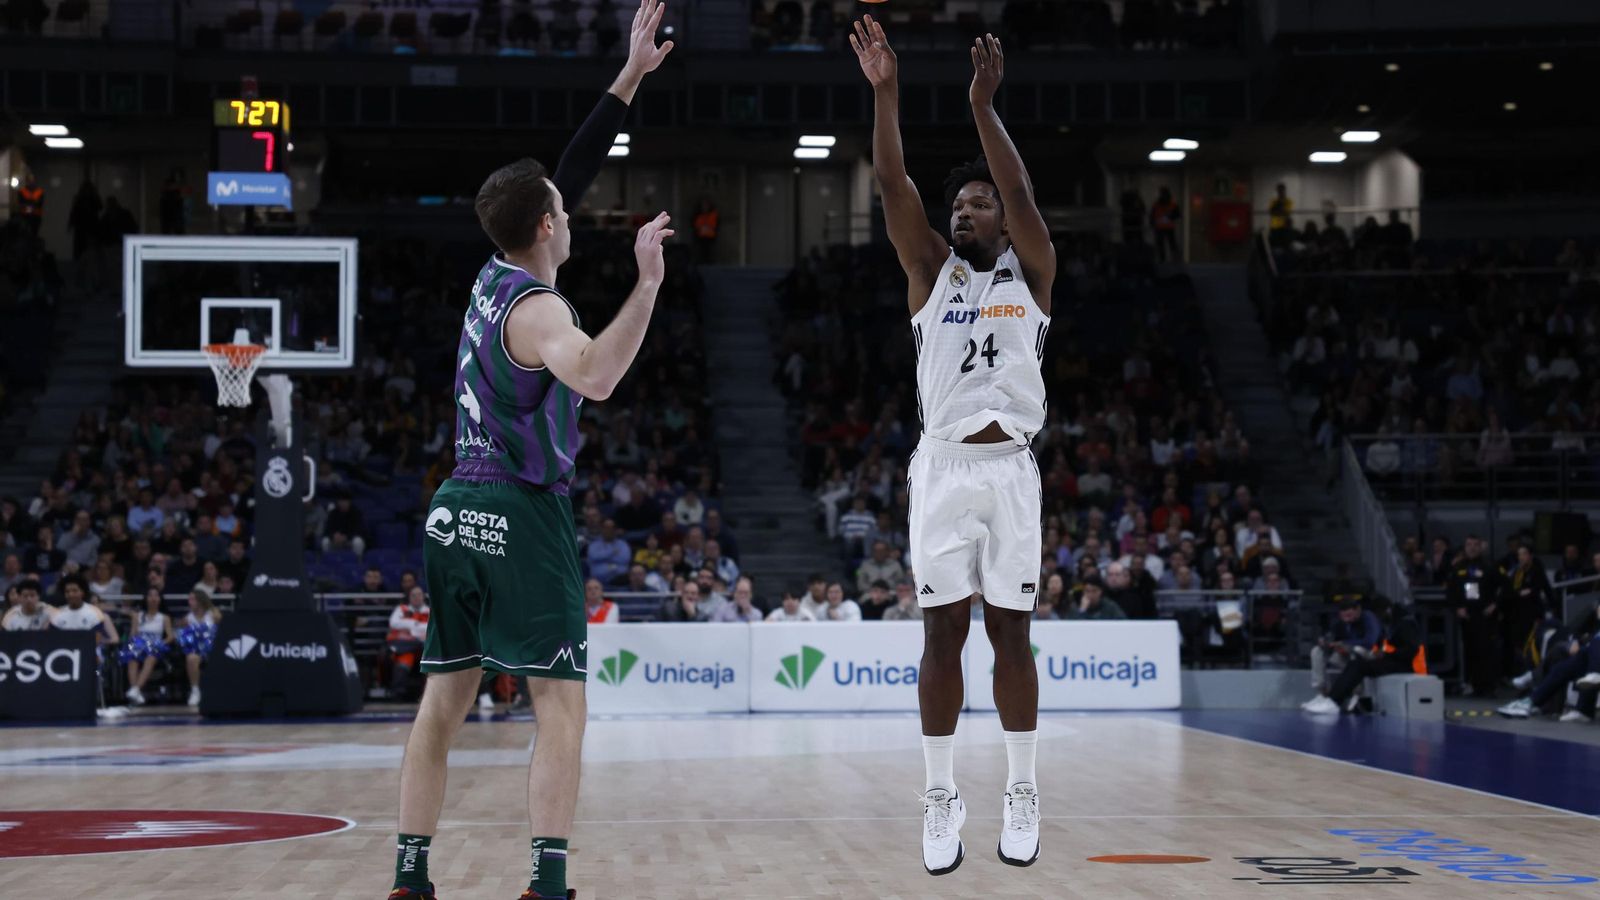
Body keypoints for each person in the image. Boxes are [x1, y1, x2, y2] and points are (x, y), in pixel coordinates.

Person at [395, 7, 674, 898]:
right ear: (548, 228)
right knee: (561, 708)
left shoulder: (491, 272)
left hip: (454, 507)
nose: (569, 204)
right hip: (520, 508)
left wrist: (627, 76)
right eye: (561, 206)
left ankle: (411, 876)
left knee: (444, 702)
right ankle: (547, 885)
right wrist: (647, 283)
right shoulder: (543, 310)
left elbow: (564, 173)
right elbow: (593, 376)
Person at [852, 16, 1053, 873]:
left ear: (1003, 220)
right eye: (959, 205)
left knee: (1012, 634)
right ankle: (938, 795)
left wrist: (982, 108)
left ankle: (1021, 786)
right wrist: (886, 91)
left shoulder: (1033, 268)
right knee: (941, 637)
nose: (965, 211)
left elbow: (1022, 191)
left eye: (979, 205)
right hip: (943, 469)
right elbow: (892, 180)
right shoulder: (932, 272)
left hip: (1010, 469)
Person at [1300, 600, 1382, 712]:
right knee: (1317, 651)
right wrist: (1325, 641)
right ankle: (1323, 694)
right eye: (1343, 616)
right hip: (1348, 655)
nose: (1346, 619)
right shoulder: (1342, 621)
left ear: (1358, 610)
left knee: (1357, 650)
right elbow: (1331, 635)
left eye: (1349, 615)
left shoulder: (1368, 618)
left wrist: (1346, 644)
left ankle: (1356, 694)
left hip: (1373, 655)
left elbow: (1370, 641)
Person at [120, 588, 175, 706]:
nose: (153, 598)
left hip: (156, 646)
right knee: (132, 657)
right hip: (140, 645)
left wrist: (161, 643)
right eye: (150, 595)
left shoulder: (164, 617)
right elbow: (133, 634)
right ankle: (135, 691)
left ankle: (135, 689)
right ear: (146, 599)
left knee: (151, 656)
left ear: (160, 599)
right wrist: (133, 644)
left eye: (156, 596)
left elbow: (170, 636)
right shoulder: (137, 616)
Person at [177, 590, 222, 707]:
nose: (189, 602)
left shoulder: (214, 614)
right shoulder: (187, 619)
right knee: (191, 658)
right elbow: (181, 636)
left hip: (213, 648)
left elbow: (223, 631)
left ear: (200, 600)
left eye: (192, 599)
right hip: (196, 650)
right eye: (189, 599)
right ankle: (195, 691)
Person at [387, 586, 431, 700]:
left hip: (426, 648)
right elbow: (394, 623)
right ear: (409, 597)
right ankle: (398, 694)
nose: (417, 597)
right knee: (403, 661)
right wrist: (415, 625)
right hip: (407, 647)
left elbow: (433, 628)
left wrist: (410, 627)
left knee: (430, 662)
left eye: (419, 594)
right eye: (413, 595)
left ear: (424, 596)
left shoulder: (430, 610)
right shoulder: (401, 609)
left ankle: (428, 696)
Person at [1149, 186, 1180, 263]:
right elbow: (1152, 216)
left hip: (1168, 227)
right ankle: (1162, 261)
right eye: (1161, 194)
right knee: (1161, 245)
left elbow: (1177, 214)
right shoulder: (1156, 204)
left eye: (1163, 194)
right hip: (1160, 228)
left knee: (1171, 244)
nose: (1162, 196)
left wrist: (1170, 217)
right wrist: (1152, 224)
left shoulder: (1172, 204)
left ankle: (1174, 260)